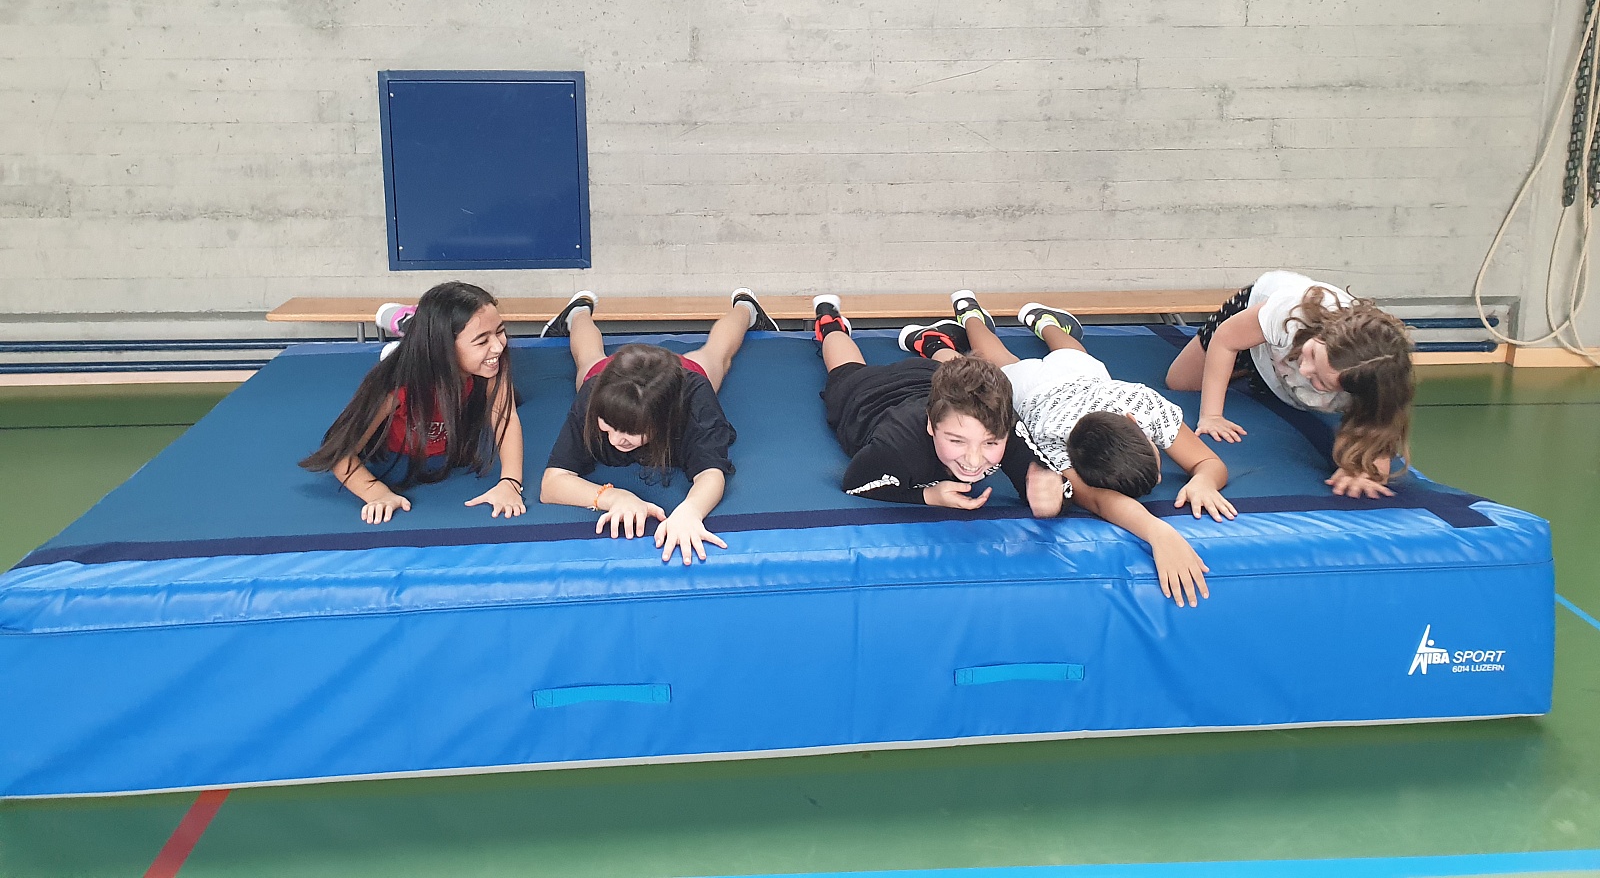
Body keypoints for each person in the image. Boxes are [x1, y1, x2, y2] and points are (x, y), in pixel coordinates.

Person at [814, 295, 1215, 606]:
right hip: (865, 396)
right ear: (932, 428)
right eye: (957, 443)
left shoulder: (1008, 430)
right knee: (845, 367)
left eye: (991, 444)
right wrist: (927, 495)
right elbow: (855, 481)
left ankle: (935, 344)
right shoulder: (897, 448)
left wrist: (1053, 495)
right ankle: (830, 321)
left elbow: (1068, 490)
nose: (974, 460)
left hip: (929, 379)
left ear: (1006, 430)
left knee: (963, 374)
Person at [538, 288, 778, 565]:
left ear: (666, 421)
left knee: (716, 356)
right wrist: (613, 497)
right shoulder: (594, 397)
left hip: (680, 377)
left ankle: (746, 308)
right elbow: (552, 483)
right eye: (608, 426)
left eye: (631, 432)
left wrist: (690, 511)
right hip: (612, 375)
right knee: (588, 358)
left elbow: (711, 474)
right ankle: (578, 313)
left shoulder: (693, 402)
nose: (616, 439)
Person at [1162, 271, 1414, 499]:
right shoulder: (1292, 313)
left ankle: (1265, 374)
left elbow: (1377, 438)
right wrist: (1212, 416)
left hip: (1282, 358)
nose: (1304, 370)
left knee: (1288, 389)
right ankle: (1251, 364)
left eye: (1321, 381)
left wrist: (1362, 471)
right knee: (1181, 381)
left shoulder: (1373, 387)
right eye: (1313, 354)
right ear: (1322, 335)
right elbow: (1225, 340)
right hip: (1254, 320)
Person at [301, 282, 525, 524]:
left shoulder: (491, 366)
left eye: (500, 331)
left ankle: (408, 321)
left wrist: (510, 482)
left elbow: (505, 415)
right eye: (482, 341)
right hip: (418, 371)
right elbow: (341, 453)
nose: (498, 346)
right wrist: (377, 493)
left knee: (515, 392)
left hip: (442, 364)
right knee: (405, 352)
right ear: (445, 348)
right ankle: (404, 322)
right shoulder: (396, 386)